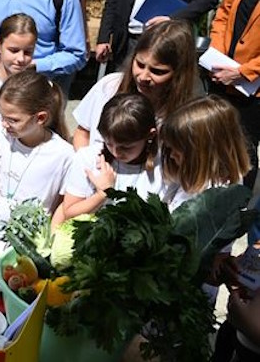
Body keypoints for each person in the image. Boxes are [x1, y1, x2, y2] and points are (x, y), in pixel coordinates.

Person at [72, 20, 198, 150]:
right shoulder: (108, 86)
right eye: (140, 64)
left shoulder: (188, 116)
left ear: (179, 73)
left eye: (157, 71)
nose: (143, 77)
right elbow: (83, 133)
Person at [55, 93, 164, 225]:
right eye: (109, 144)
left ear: (150, 135)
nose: (116, 152)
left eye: (126, 147)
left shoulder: (164, 166)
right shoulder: (88, 158)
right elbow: (69, 212)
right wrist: (103, 193)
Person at [0, 70, 72, 228]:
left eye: (13, 120)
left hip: (30, 243)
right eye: (1, 115)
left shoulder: (63, 155)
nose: (4, 124)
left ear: (40, 118)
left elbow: (61, 204)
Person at [208, 0, 260, 192]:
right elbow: (225, 12)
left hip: (253, 89)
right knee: (214, 142)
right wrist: (217, 54)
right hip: (222, 74)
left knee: (244, 152)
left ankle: (242, 210)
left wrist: (243, 72)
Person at [160, 95, 251, 212]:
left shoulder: (217, 201)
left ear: (202, 153)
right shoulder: (190, 178)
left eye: (177, 151)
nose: (172, 155)